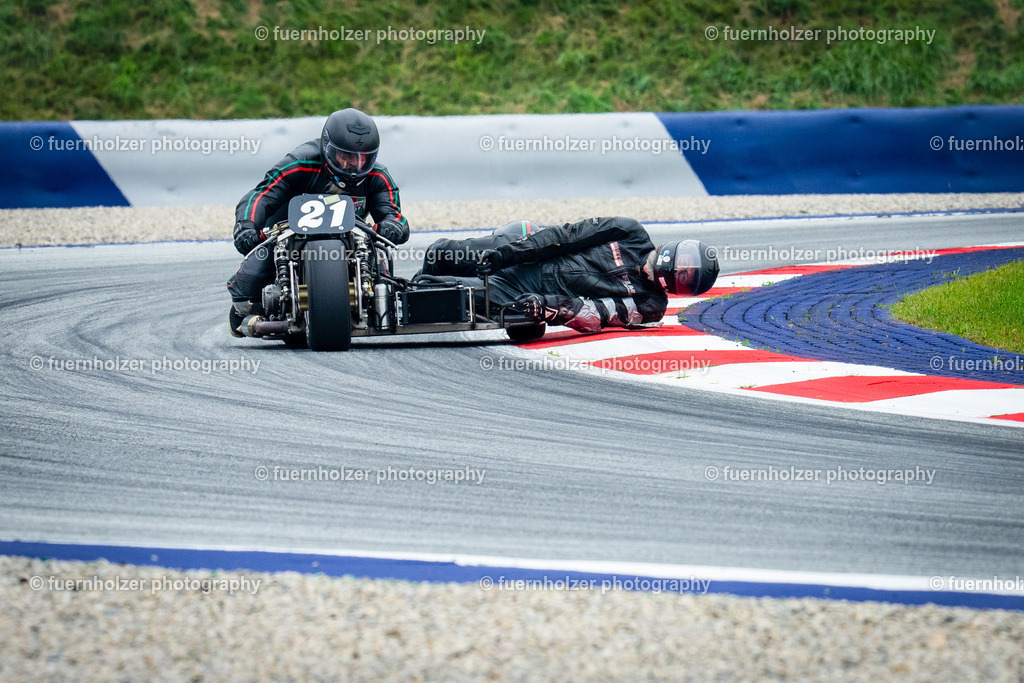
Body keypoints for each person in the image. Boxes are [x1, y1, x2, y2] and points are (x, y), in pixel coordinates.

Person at [226, 108, 409, 336]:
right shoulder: (299, 163)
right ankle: (255, 306)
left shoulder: (378, 176)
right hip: (288, 236)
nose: (355, 166)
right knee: (246, 289)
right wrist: (246, 225)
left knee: (381, 260)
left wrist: (392, 226)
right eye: (347, 156)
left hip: (351, 238)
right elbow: (260, 195)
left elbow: (394, 215)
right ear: (327, 148)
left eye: (364, 159)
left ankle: (376, 304)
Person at [419, 217, 719, 333]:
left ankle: (406, 296)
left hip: (526, 293)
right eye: (686, 265)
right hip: (523, 256)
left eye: (686, 278)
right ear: (677, 250)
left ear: (683, 290)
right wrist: (506, 254)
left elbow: (596, 314)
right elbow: (566, 236)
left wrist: (549, 306)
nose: (680, 272)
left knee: (437, 293)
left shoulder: (650, 305)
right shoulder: (630, 232)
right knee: (440, 252)